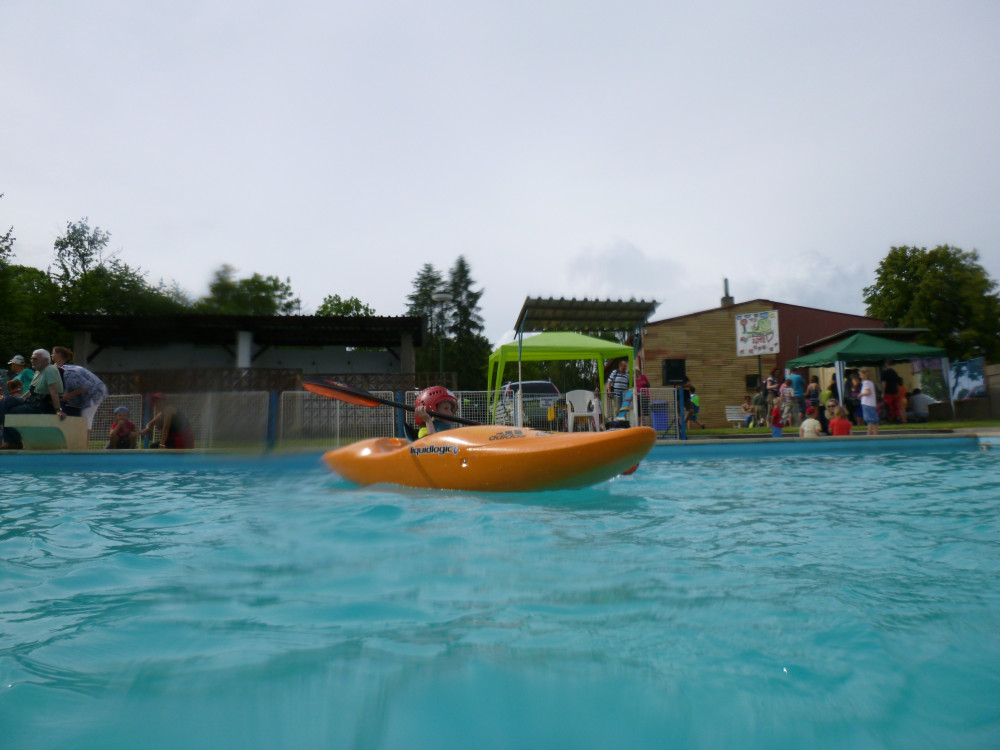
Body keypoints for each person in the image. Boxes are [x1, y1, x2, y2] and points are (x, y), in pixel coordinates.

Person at [0, 349, 66, 448]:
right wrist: (20, 399)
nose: (32, 361)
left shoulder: (50, 370)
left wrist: (58, 409)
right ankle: (12, 441)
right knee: (7, 400)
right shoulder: (38, 372)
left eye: (35, 359)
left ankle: (13, 442)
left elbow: (54, 391)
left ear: (46, 360)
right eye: (31, 358)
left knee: (10, 410)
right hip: (33, 402)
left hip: (42, 405)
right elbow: (31, 390)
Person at [52, 346, 108, 436]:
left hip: (95, 392)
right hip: (88, 393)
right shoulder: (62, 368)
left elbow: (86, 385)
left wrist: (69, 395)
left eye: (53, 353)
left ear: (59, 355)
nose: (51, 355)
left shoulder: (68, 372)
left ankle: (84, 443)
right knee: (80, 418)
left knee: (86, 418)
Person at [858, 367, 879, 436]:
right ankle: (875, 432)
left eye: (861, 375)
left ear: (865, 375)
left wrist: (860, 394)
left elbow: (868, 392)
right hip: (872, 403)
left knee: (869, 419)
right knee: (874, 419)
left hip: (867, 403)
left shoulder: (866, 382)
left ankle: (869, 433)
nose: (860, 376)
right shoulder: (871, 382)